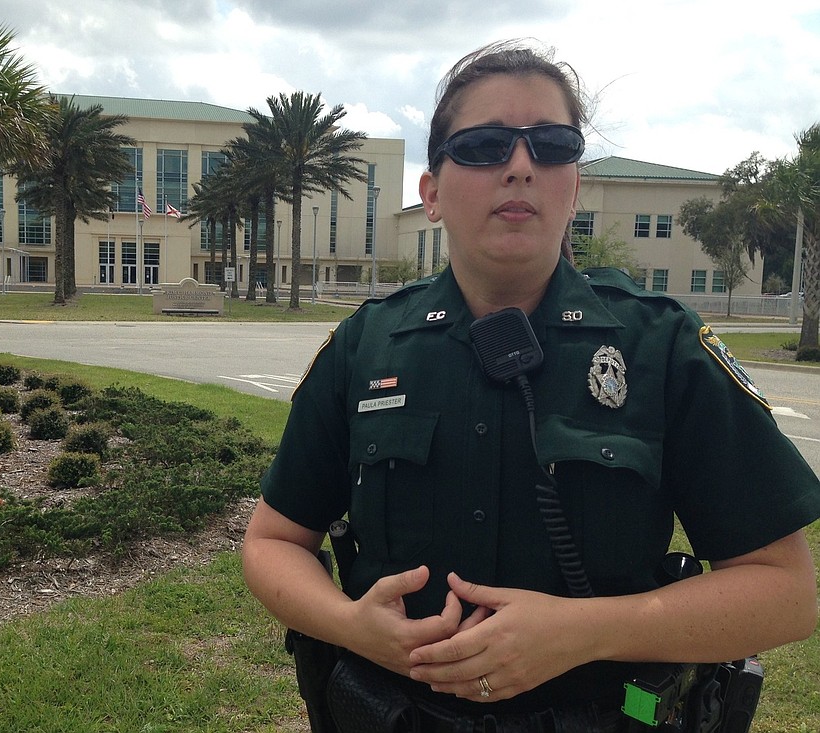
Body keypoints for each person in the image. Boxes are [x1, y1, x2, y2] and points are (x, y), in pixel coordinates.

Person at [242, 40, 820, 733]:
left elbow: (786, 591)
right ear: (431, 192)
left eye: (551, 145)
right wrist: (350, 624)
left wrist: (587, 630)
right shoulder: (363, 349)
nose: (520, 165)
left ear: (572, 185)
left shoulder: (661, 347)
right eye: (485, 145)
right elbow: (272, 540)